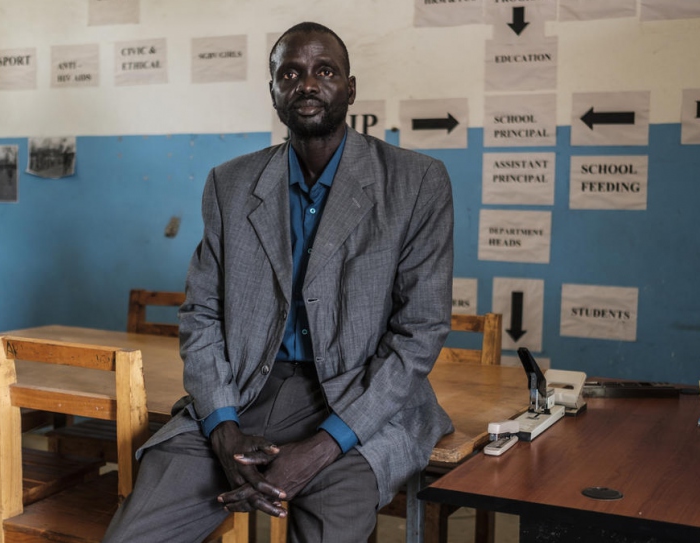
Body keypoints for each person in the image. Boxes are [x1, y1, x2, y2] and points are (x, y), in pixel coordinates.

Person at [103, 21, 454, 543]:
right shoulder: (231, 183)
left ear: (350, 89)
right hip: (242, 392)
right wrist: (221, 427)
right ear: (272, 92)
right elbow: (200, 316)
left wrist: (324, 445)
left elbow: (419, 334)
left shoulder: (416, 182)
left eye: (325, 71)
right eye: (290, 73)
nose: (307, 84)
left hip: (354, 405)